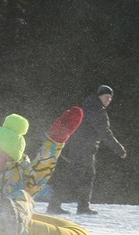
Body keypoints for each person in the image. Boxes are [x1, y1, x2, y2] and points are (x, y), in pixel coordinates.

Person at [0, 107, 83, 235]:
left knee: (22, 196)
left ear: (10, 158)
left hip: (10, 217)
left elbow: (43, 166)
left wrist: (55, 140)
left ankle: (10, 217)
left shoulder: (22, 174)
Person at [46, 84, 126, 215]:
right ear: (100, 96)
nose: (108, 100)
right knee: (85, 177)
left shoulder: (87, 106)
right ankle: (81, 207)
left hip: (77, 148)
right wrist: (119, 149)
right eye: (106, 97)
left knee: (74, 176)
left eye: (110, 98)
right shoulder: (97, 110)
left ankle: (56, 204)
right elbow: (105, 132)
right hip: (84, 149)